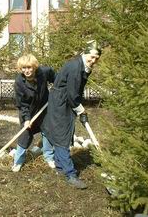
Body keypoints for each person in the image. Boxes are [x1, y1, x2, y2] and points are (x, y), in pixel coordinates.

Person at [42, 40, 102, 189]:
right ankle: (71, 174)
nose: (93, 60)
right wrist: (81, 110)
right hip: (62, 104)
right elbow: (72, 95)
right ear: (85, 53)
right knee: (63, 136)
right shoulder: (76, 68)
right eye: (92, 56)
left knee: (65, 133)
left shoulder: (82, 65)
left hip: (63, 101)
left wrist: (78, 108)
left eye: (96, 58)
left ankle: (59, 166)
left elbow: (74, 91)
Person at [12, 54, 56, 172]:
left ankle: (49, 157)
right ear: (20, 69)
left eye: (29, 67)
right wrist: (26, 119)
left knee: (47, 132)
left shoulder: (43, 72)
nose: (27, 71)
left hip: (44, 109)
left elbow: (55, 77)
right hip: (29, 112)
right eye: (24, 68)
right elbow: (22, 104)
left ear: (34, 67)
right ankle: (18, 162)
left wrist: (56, 87)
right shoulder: (19, 82)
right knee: (25, 134)